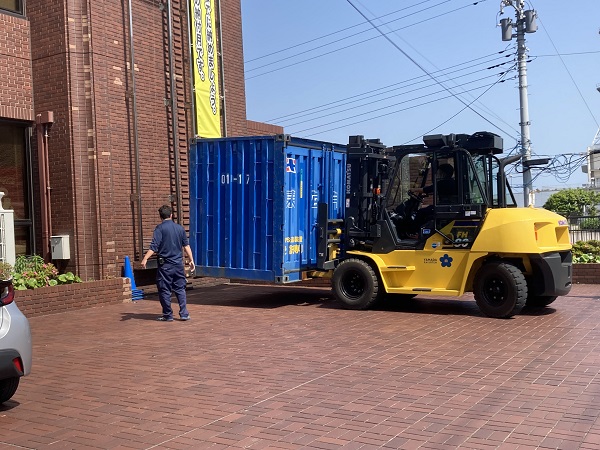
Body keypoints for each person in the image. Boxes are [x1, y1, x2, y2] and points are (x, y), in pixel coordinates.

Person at [141, 205, 195, 322]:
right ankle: (184, 313)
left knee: (165, 290)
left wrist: (145, 258)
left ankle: (168, 315)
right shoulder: (179, 228)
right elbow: (186, 246)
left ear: (160, 217)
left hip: (165, 266)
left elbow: (154, 246)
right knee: (180, 289)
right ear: (171, 215)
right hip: (178, 265)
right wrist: (191, 260)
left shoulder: (159, 229)